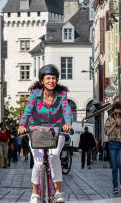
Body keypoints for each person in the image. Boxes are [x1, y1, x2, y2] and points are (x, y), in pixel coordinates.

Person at [18, 64, 72, 203]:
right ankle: (35, 194)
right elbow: (27, 111)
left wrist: (67, 124)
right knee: (38, 161)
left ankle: (58, 192)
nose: (51, 81)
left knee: (54, 157)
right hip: (36, 132)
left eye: (54, 78)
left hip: (56, 131)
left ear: (57, 80)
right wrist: (22, 125)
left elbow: (67, 111)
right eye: (48, 78)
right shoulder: (35, 95)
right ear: (42, 80)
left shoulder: (62, 95)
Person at [104, 102, 121, 194]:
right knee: (115, 167)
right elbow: (107, 133)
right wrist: (114, 124)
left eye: (119, 113)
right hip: (112, 144)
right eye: (115, 113)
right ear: (112, 112)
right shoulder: (109, 119)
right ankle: (115, 186)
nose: (117, 115)